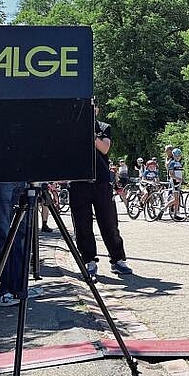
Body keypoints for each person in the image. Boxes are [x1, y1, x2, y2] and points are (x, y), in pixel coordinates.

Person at [68, 104, 133, 280]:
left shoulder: (103, 128)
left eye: (93, 107)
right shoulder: (71, 127)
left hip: (101, 181)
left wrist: (90, 132)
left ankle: (117, 259)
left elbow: (104, 148)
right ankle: (89, 261)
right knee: (83, 225)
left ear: (97, 110)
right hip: (79, 181)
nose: (90, 110)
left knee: (109, 222)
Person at [165, 148, 185, 221]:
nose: (178, 157)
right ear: (173, 156)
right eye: (176, 156)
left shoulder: (179, 163)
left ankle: (176, 214)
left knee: (177, 200)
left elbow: (180, 173)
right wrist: (179, 179)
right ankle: (165, 207)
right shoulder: (172, 163)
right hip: (174, 182)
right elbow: (171, 174)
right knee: (176, 199)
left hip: (178, 182)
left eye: (179, 156)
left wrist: (182, 179)